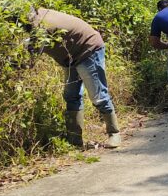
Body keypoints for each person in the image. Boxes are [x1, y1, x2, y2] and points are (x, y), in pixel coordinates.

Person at [25, 8, 121, 148]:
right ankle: (74, 140)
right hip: (70, 57)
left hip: (88, 49)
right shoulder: (38, 15)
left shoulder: (40, 26)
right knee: (71, 95)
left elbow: (30, 59)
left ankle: (114, 133)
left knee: (98, 96)